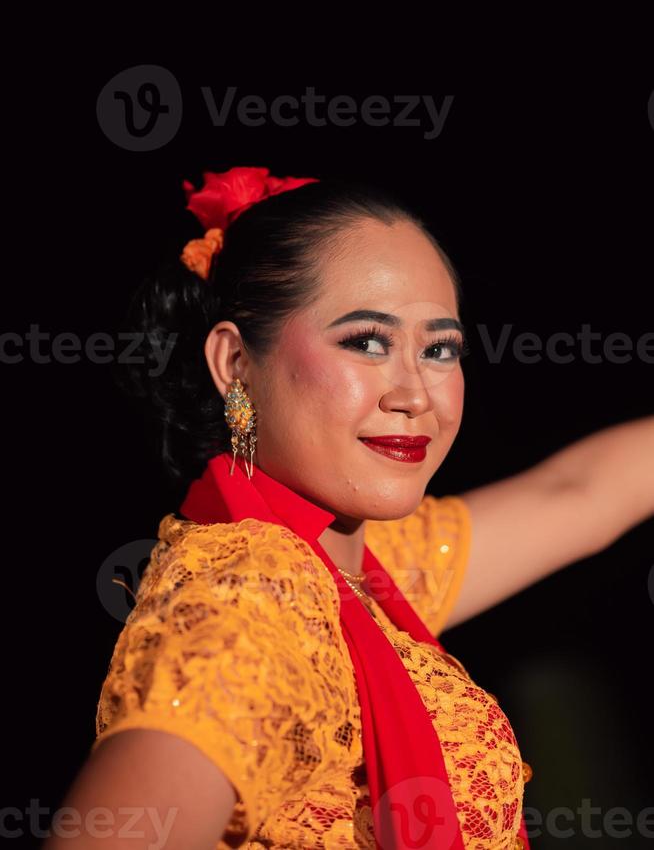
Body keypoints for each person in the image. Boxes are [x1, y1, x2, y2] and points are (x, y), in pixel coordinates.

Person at [43, 167, 653, 850]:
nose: (415, 393)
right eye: (367, 341)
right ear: (236, 364)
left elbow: (582, 494)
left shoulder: (363, 568)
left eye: (439, 349)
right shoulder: (252, 600)